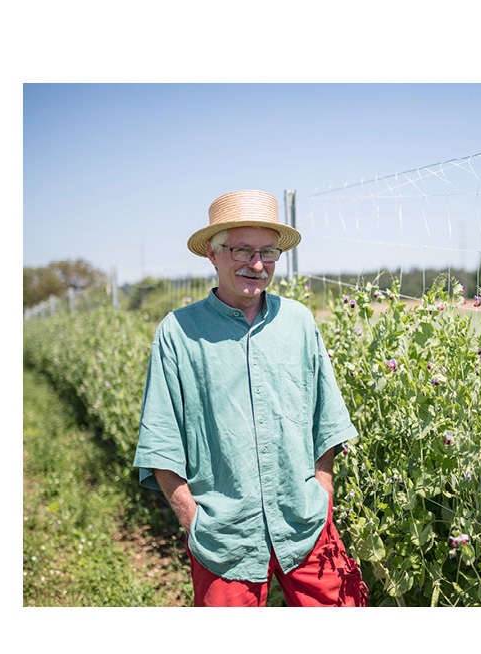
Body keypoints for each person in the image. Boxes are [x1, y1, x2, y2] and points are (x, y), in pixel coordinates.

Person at [133, 190, 367, 607]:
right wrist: (191, 516)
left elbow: (327, 419)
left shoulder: (298, 322)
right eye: (241, 249)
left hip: (307, 523)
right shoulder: (178, 332)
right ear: (212, 253)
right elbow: (161, 438)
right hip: (224, 537)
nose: (256, 265)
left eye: (268, 253)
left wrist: (323, 492)